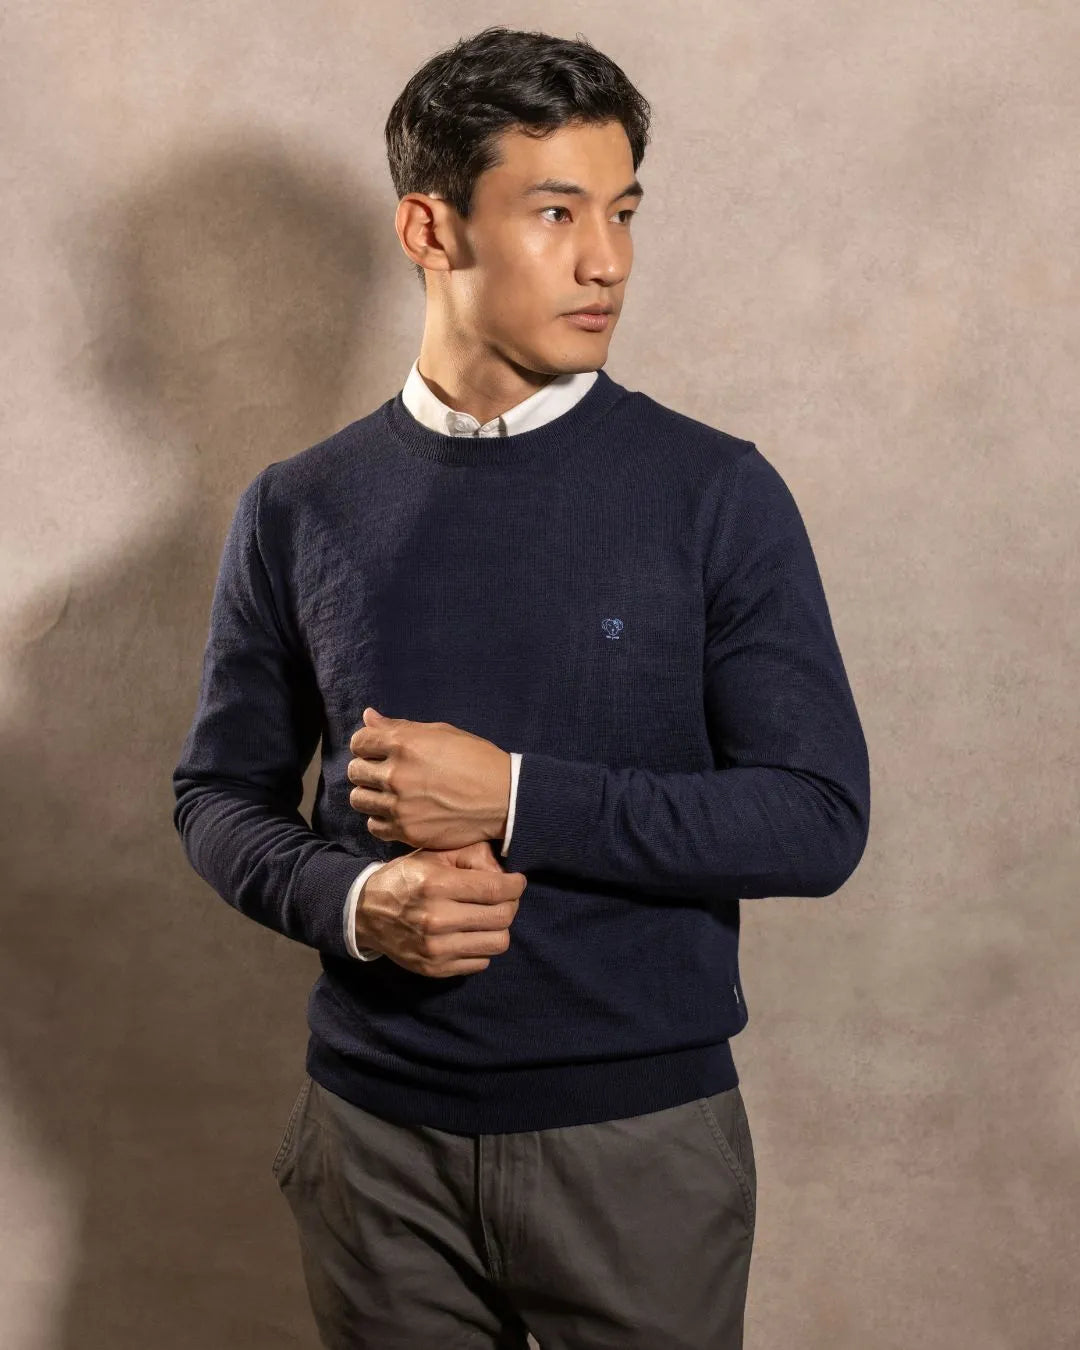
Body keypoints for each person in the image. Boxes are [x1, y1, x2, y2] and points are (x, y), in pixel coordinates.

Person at [172, 24, 870, 1350]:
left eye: (623, 212)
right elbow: (215, 795)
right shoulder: (298, 506)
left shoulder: (716, 494)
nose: (609, 259)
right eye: (557, 212)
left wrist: (514, 797)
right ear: (429, 228)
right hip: (373, 1145)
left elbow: (818, 817)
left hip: (638, 1147)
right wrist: (357, 902)